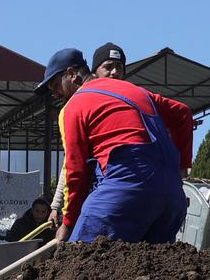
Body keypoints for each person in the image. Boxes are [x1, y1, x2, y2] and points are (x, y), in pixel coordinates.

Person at [39, 47, 193, 245]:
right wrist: (181, 169)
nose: (55, 93)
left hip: (125, 188)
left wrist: (68, 224)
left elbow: (76, 172)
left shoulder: (73, 107)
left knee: (82, 256)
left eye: (55, 85)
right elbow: (183, 113)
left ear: (71, 74)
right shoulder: (136, 90)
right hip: (172, 198)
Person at [50, 43, 131, 230]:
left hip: (115, 186)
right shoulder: (81, 105)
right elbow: (71, 164)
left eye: (119, 67)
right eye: (108, 67)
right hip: (101, 189)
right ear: (94, 72)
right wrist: (56, 205)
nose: (114, 72)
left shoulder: (131, 99)